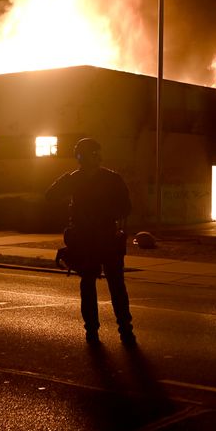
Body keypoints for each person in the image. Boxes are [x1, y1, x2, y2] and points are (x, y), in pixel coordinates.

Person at [45, 138, 135, 345]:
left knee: (97, 285)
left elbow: (51, 195)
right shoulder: (111, 179)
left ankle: (98, 331)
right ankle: (122, 330)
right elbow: (126, 208)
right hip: (97, 239)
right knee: (113, 285)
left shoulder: (80, 179)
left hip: (93, 239)